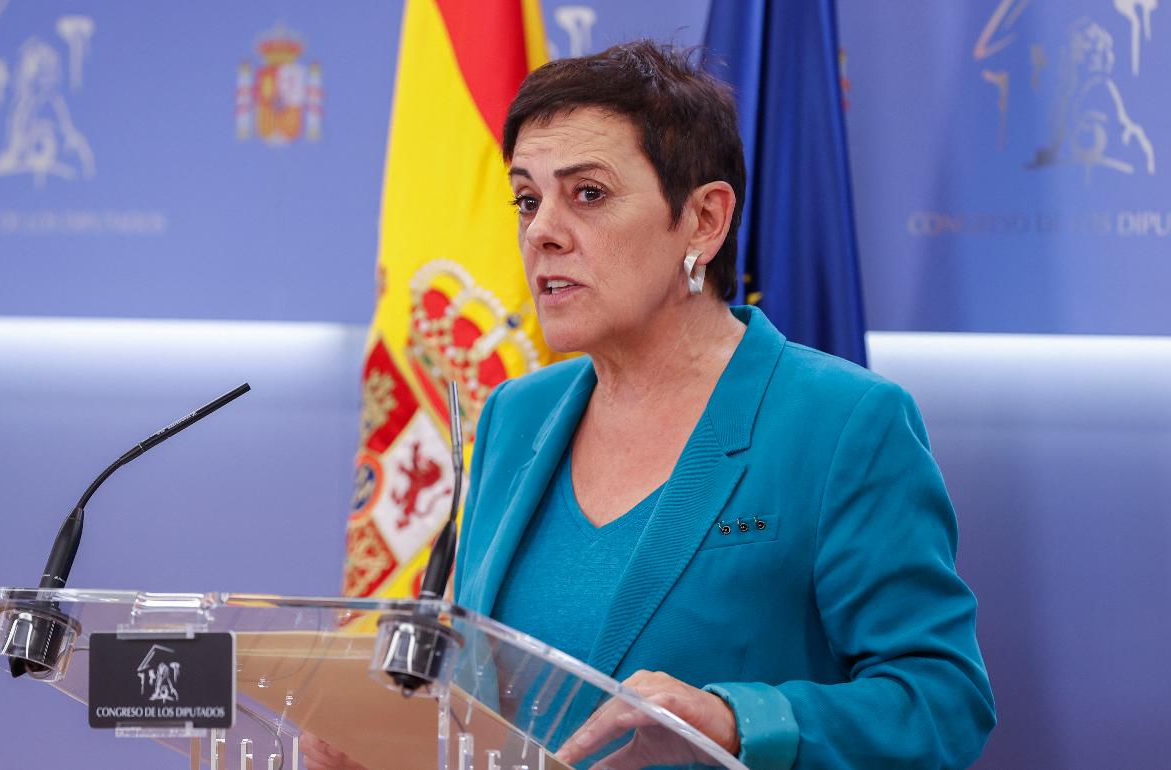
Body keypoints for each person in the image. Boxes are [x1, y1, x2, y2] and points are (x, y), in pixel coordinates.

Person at [308, 40, 995, 769]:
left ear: (703, 220)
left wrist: (735, 721)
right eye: (527, 200)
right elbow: (483, 693)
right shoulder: (515, 414)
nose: (541, 231)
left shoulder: (843, 422)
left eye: (588, 194)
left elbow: (943, 703)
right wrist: (386, 741)